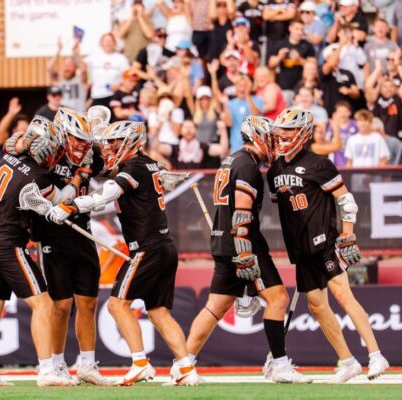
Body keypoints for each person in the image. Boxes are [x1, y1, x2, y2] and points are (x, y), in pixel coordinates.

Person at [47, 120, 200, 386]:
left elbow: (105, 196)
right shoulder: (148, 163)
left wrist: (71, 207)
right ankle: (187, 368)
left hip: (146, 248)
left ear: (132, 143)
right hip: (164, 246)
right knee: (159, 311)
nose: (109, 147)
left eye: (115, 142)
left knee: (117, 305)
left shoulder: (134, 168)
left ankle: (140, 364)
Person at [267, 108, 389, 383]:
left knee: (343, 295)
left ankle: (376, 355)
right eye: (281, 130)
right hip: (301, 250)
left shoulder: (319, 164)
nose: (282, 135)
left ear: (303, 133)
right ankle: (348, 361)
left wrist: (348, 234)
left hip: (325, 241)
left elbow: (346, 200)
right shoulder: (274, 170)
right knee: (317, 306)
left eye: (288, 130)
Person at [185, 116, 311, 384]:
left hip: (222, 242)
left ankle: (184, 364)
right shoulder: (248, 166)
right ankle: (279, 364)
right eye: (271, 138)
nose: (274, 144)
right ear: (257, 136)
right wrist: (244, 254)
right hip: (243, 244)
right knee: (277, 299)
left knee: (214, 307)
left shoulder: (231, 160)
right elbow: (241, 213)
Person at [4, 108, 109, 385]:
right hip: (52, 233)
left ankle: (87, 364)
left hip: (82, 230)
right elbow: (12, 146)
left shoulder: (91, 152)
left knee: (88, 302)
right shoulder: (50, 149)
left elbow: (115, 164)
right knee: (60, 305)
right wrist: (20, 141)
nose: (81, 146)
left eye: (85, 141)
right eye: (77, 139)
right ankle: (57, 363)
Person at [0, 116, 73, 387]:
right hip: (8, 244)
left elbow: (11, 145)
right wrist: (78, 179)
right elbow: (62, 199)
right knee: (44, 304)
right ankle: (46, 370)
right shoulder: (38, 176)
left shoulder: (5, 159)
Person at [364, 58, 402, 140]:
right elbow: (368, 86)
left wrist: (398, 66)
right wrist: (378, 69)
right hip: (379, 139)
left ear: (395, 88)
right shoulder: (375, 100)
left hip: (398, 139)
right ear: (380, 89)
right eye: (385, 87)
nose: (388, 89)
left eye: (391, 86)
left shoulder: (400, 99)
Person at [268, 19, 315, 97]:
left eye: (302, 29)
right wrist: (279, 57)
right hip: (283, 86)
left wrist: (299, 59)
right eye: (297, 29)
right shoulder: (280, 45)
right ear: (290, 28)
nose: (300, 32)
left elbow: (313, 67)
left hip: (301, 88)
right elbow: (270, 64)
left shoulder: (308, 46)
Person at [154, 119, 228, 169]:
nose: (188, 130)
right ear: (180, 130)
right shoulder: (175, 148)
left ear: (196, 130)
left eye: (191, 127)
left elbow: (222, 149)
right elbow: (156, 148)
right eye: (186, 127)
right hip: (179, 185)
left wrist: (223, 130)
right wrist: (157, 130)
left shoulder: (203, 147)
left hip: (200, 184)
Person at [85, 33, 130, 108]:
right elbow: (82, 65)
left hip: (116, 96)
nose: (108, 43)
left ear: (114, 43)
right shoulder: (94, 57)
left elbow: (129, 76)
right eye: (105, 41)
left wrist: (119, 85)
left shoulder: (121, 58)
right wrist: (76, 52)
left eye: (110, 41)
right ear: (101, 43)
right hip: (98, 96)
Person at [223, 75, 264, 152]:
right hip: (236, 146)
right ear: (236, 87)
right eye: (240, 85)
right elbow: (229, 123)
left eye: (245, 85)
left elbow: (256, 116)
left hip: (254, 146)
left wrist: (247, 95)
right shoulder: (230, 103)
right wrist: (225, 105)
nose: (242, 88)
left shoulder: (258, 100)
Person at [47, 37, 88, 113]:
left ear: (75, 67)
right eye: (65, 65)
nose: (67, 68)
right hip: (64, 116)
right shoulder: (60, 79)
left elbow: (83, 69)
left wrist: (76, 53)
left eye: (70, 65)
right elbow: (49, 68)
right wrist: (59, 50)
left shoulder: (80, 80)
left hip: (79, 116)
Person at [320, 44, 360, 116]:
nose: (336, 58)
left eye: (338, 56)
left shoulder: (348, 73)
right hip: (329, 113)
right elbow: (330, 65)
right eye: (333, 56)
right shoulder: (323, 71)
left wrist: (349, 91)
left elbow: (356, 93)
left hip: (346, 113)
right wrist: (342, 43)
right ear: (327, 59)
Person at [325, 101, 358, 167]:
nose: (343, 114)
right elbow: (327, 141)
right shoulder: (331, 126)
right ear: (335, 113)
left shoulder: (355, 124)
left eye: (345, 111)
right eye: (340, 111)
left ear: (350, 112)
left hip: (354, 161)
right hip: (336, 161)